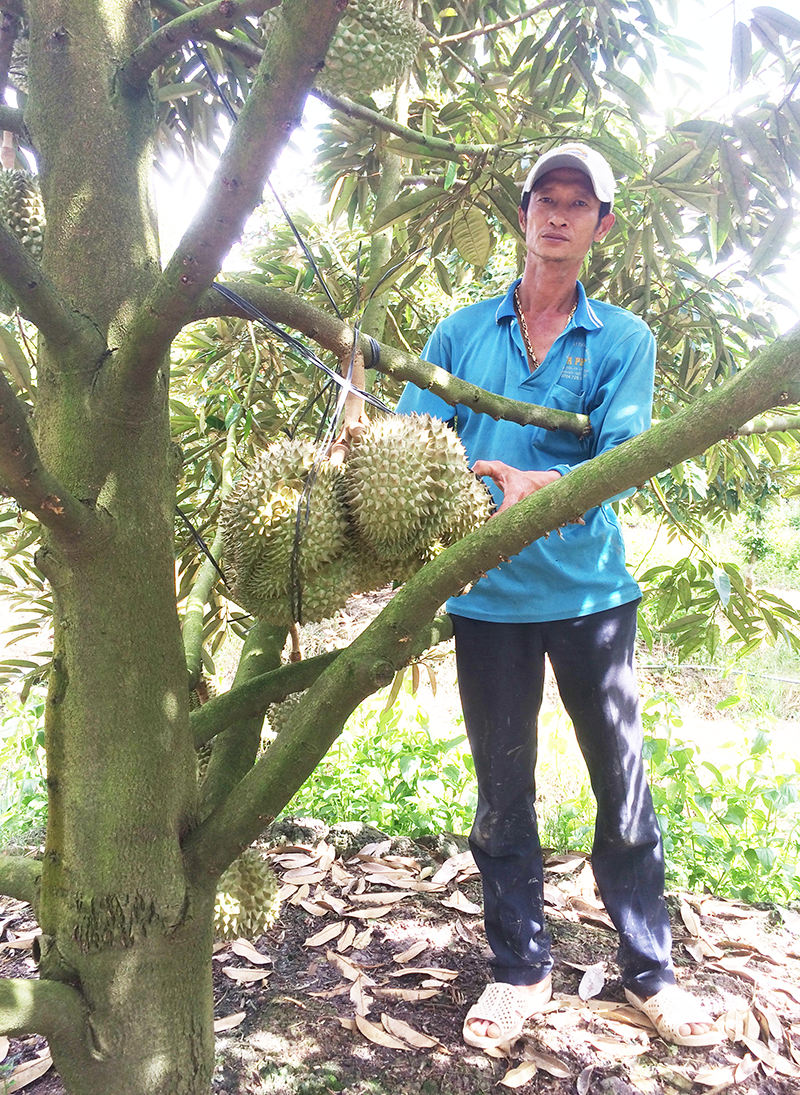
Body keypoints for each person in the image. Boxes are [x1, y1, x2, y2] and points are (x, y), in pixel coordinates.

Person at [396, 143, 721, 1051]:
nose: (559, 213)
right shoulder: (460, 333)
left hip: (590, 596)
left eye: (580, 203)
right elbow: (415, 452)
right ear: (524, 210)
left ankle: (651, 971)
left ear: (600, 227)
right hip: (488, 601)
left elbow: (618, 461)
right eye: (548, 196)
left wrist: (530, 487)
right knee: (502, 791)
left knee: (622, 787)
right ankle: (518, 966)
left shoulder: (621, 339)